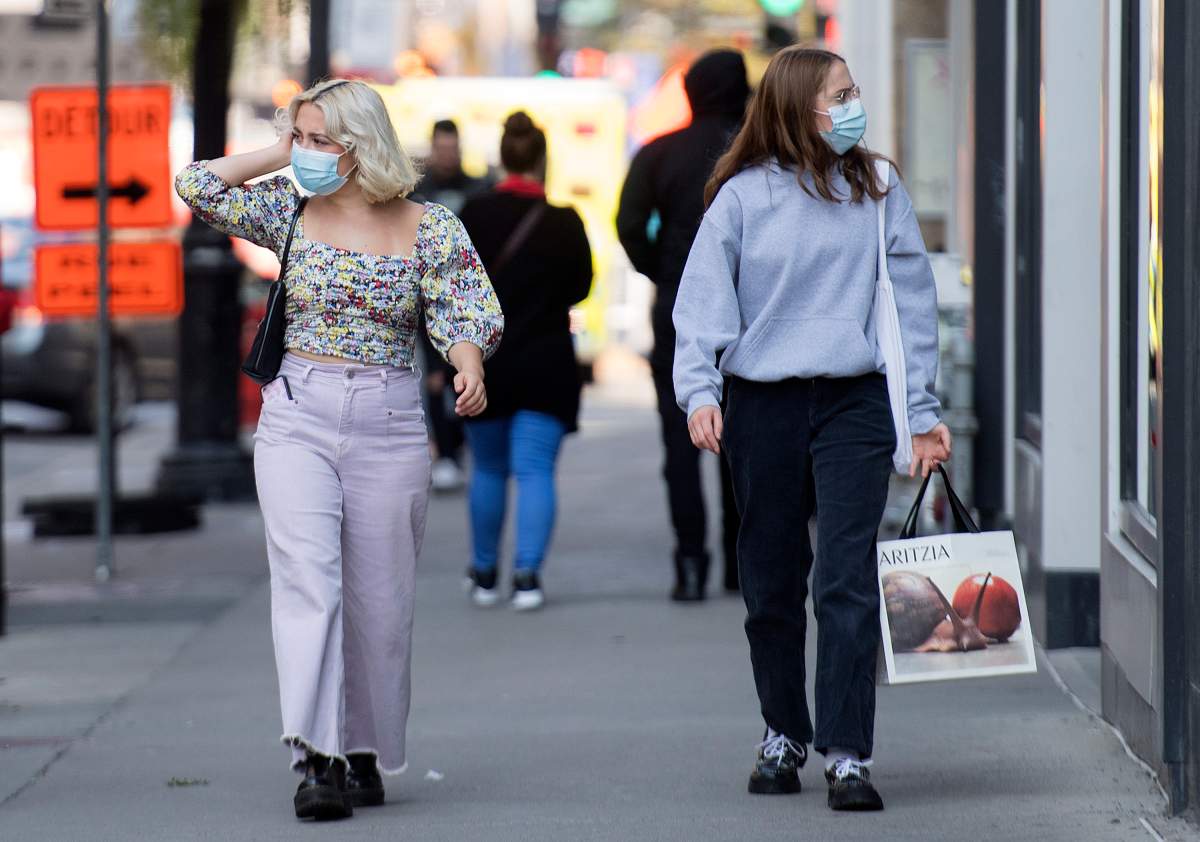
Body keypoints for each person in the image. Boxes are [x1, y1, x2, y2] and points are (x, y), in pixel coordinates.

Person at [175, 79, 503, 821]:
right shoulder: (288, 210)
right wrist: (279, 148)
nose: (308, 154)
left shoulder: (430, 227)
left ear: (363, 146)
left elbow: (466, 306)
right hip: (297, 416)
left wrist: (468, 362)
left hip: (388, 420)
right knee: (308, 584)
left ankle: (363, 752)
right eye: (303, 137)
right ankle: (316, 758)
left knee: (379, 603)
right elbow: (194, 185)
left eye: (322, 140)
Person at [672, 47, 951, 811]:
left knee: (847, 578)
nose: (854, 105)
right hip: (761, 403)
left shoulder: (877, 185)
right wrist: (699, 391)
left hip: (853, 400)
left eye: (854, 91)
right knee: (770, 577)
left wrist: (920, 412)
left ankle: (848, 751)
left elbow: (913, 305)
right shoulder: (740, 199)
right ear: (800, 106)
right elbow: (700, 304)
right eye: (842, 94)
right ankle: (782, 732)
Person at [616, 49, 749, 602]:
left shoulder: (657, 153)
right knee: (744, 440)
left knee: (681, 440)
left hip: (676, 311)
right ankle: (740, 565)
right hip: (749, 315)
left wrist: (663, 271)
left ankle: (690, 562)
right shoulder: (758, 155)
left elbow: (627, 224)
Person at [457, 111, 593, 611]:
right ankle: (528, 576)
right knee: (535, 470)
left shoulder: (473, 212)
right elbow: (581, 287)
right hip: (546, 362)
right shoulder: (564, 222)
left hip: (484, 362)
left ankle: (485, 572)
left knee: (488, 469)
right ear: (542, 160)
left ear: (503, 158)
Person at [412, 120, 490, 492]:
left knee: (464, 374)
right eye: (441, 149)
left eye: (452, 149)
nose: (447, 155)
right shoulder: (417, 190)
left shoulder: (477, 189)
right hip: (425, 300)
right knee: (433, 378)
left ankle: (456, 448)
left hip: (464, 294)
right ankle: (444, 452)